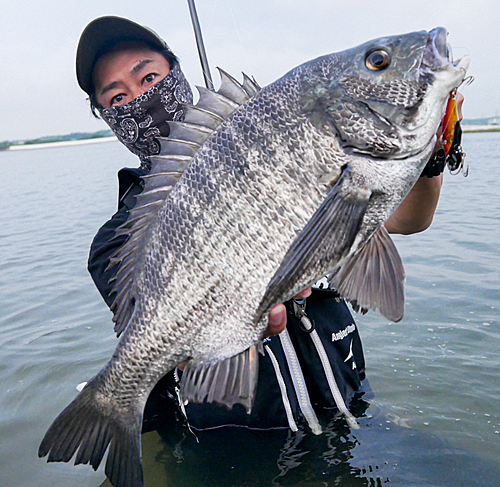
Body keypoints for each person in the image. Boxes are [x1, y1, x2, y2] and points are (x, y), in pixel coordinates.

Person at [76, 16, 462, 435]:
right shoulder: (114, 243)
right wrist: (195, 342)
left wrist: (432, 155)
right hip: (235, 442)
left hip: (343, 406)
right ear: (106, 117)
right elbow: (166, 344)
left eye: (148, 76)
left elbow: (410, 220)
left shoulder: (271, 136)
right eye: (117, 98)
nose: (139, 97)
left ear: (176, 71)